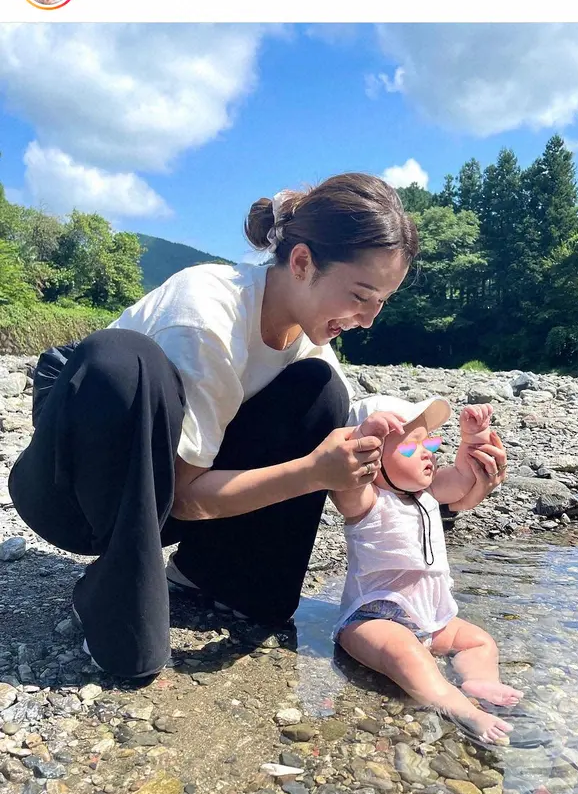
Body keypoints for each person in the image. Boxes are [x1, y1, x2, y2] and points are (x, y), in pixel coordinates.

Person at [8, 173, 418, 679]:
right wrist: (312, 473)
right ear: (303, 262)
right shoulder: (205, 314)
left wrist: (451, 482)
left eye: (381, 302)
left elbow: (351, 444)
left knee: (322, 392)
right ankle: (107, 594)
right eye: (361, 295)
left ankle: (210, 574)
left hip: (170, 487)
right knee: (128, 361)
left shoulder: (306, 336)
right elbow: (181, 497)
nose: (369, 318)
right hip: (72, 492)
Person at [329, 394, 522, 744]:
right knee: (406, 653)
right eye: (410, 447)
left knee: (480, 642)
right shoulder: (368, 500)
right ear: (373, 461)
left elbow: (465, 477)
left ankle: (480, 681)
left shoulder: (429, 493)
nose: (427, 452)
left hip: (431, 618)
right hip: (372, 619)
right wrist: (362, 440)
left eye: (430, 442)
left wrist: (474, 438)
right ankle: (455, 704)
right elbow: (346, 481)